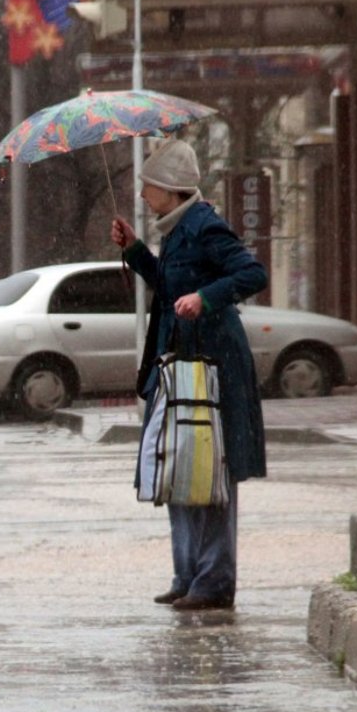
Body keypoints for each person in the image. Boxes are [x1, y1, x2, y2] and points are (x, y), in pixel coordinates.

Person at [109, 139, 268, 612]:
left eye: (148, 187)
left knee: (210, 467)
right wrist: (137, 252)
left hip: (213, 366)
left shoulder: (204, 226)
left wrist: (207, 298)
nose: (142, 196)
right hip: (182, 364)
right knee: (181, 465)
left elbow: (251, 273)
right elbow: (171, 284)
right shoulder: (177, 231)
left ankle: (214, 581)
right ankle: (187, 574)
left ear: (172, 189)